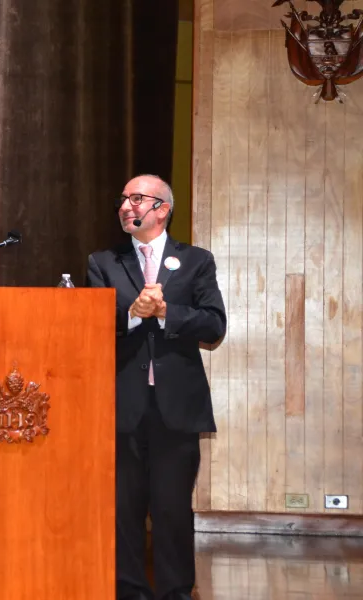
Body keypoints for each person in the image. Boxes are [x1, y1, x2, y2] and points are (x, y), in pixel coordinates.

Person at [85, 175, 226, 600]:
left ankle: (176, 592)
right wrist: (132, 313)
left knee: (171, 510)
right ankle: (128, 592)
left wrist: (166, 312)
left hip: (176, 407)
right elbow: (90, 326)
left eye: (137, 198)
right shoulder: (104, 262)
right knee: (123, 510)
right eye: (123, 199)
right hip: (122, 404)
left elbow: (214, 324)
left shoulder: (197, 260)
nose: (127, 206)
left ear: (162, 208)